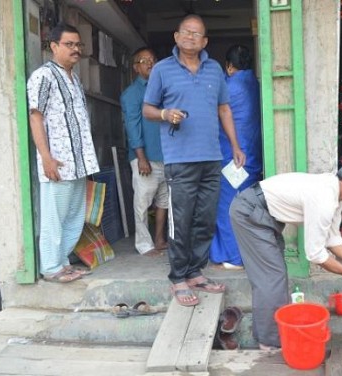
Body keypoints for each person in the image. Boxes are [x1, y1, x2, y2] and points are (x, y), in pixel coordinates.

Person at [142, 15, 246, 306]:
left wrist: (235, 146)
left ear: (205, 41)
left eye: (196, 34)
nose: (190, 37)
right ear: (176, 36)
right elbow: (148, 109)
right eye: (186, 33)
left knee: (204, 219)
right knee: (181, 220)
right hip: (179, 159)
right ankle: (178, 276)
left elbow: (224, 109)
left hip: (211, 157)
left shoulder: (214, 70)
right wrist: (165, 114)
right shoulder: (162, 70)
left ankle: (195, 271)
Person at [229, 160, 342, 350]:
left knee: (272, 277)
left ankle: (269, 337)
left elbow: (333, 237)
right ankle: (269, 343)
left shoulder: (335, 195)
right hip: (251, 213)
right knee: (271, 278)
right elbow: (316, 255)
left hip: (263, 214)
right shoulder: (324, 199)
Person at [27, 23, 99, 283]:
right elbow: (36, 117)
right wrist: (46, 157)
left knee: (73, 216)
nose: (75, 49)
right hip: (58, 161)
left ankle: (62, 262)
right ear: (54, 46)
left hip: (78, 162)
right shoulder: (43, 76)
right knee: (54, 218)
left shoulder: (74, 77)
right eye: (69, 44)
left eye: (78, 44)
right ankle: (50, 267)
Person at [209, 45, 263, 270]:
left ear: (230, 67)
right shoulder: (256, 84)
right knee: (249, 207)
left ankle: (233, 256)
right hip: (252, 156)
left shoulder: (228, 87)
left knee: (227, 207)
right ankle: (248, 254)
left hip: (232, 156)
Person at [121, 47, 168, 257]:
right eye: (144, 60)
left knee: (164, 201)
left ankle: (159, 239)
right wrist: (141, 157)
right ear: (135, 67)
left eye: (152, 59)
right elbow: (132, 126)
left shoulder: (162, 90)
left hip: (166, 156)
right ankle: (144, 244)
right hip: (145, 158)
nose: (150, 63)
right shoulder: (132, 94)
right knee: (142, 202)